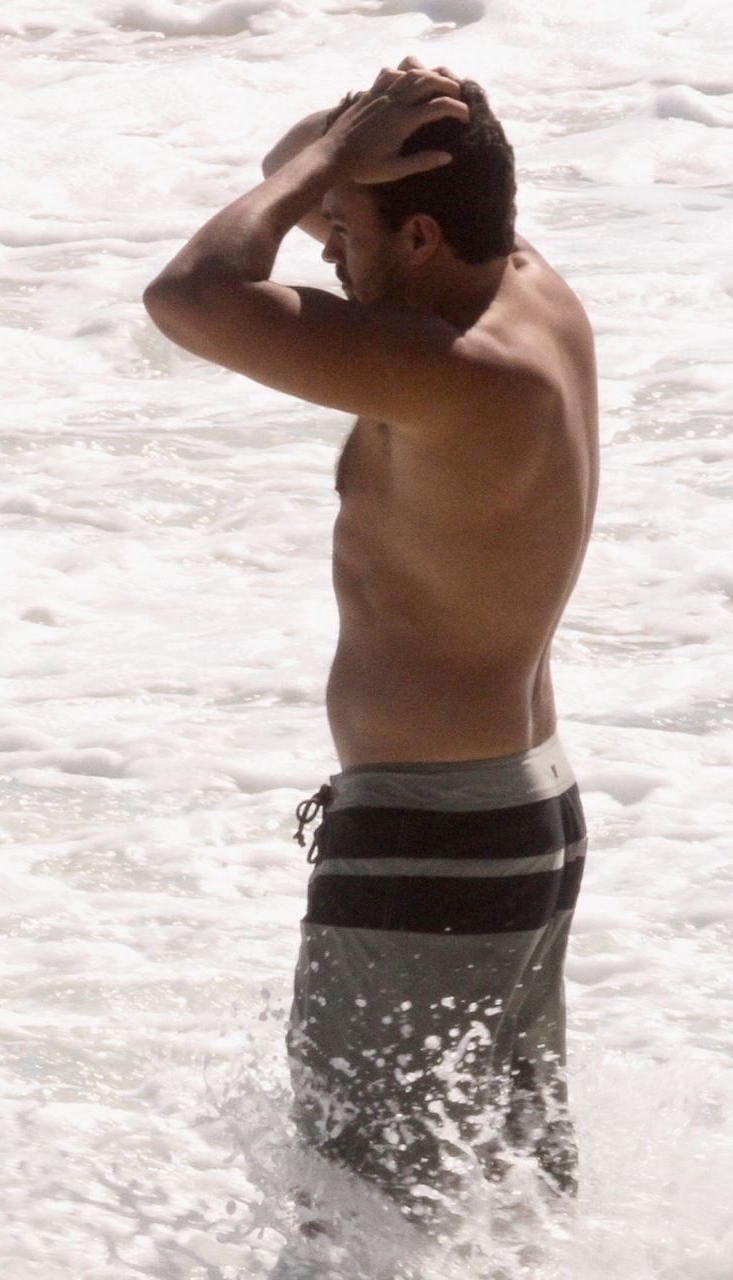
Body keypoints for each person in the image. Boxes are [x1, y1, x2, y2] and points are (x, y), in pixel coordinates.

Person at [143, 61, 598, 1220]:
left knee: (357, 1214)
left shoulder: (454, 372)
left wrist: (332, 160)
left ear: (424, 233)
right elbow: (284, 168)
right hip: (518, 818)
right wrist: (358, 142)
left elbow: (190, 294)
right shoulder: (530, 291)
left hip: (433, 841)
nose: (327, 252)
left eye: (344, 231)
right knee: (498, 1201)